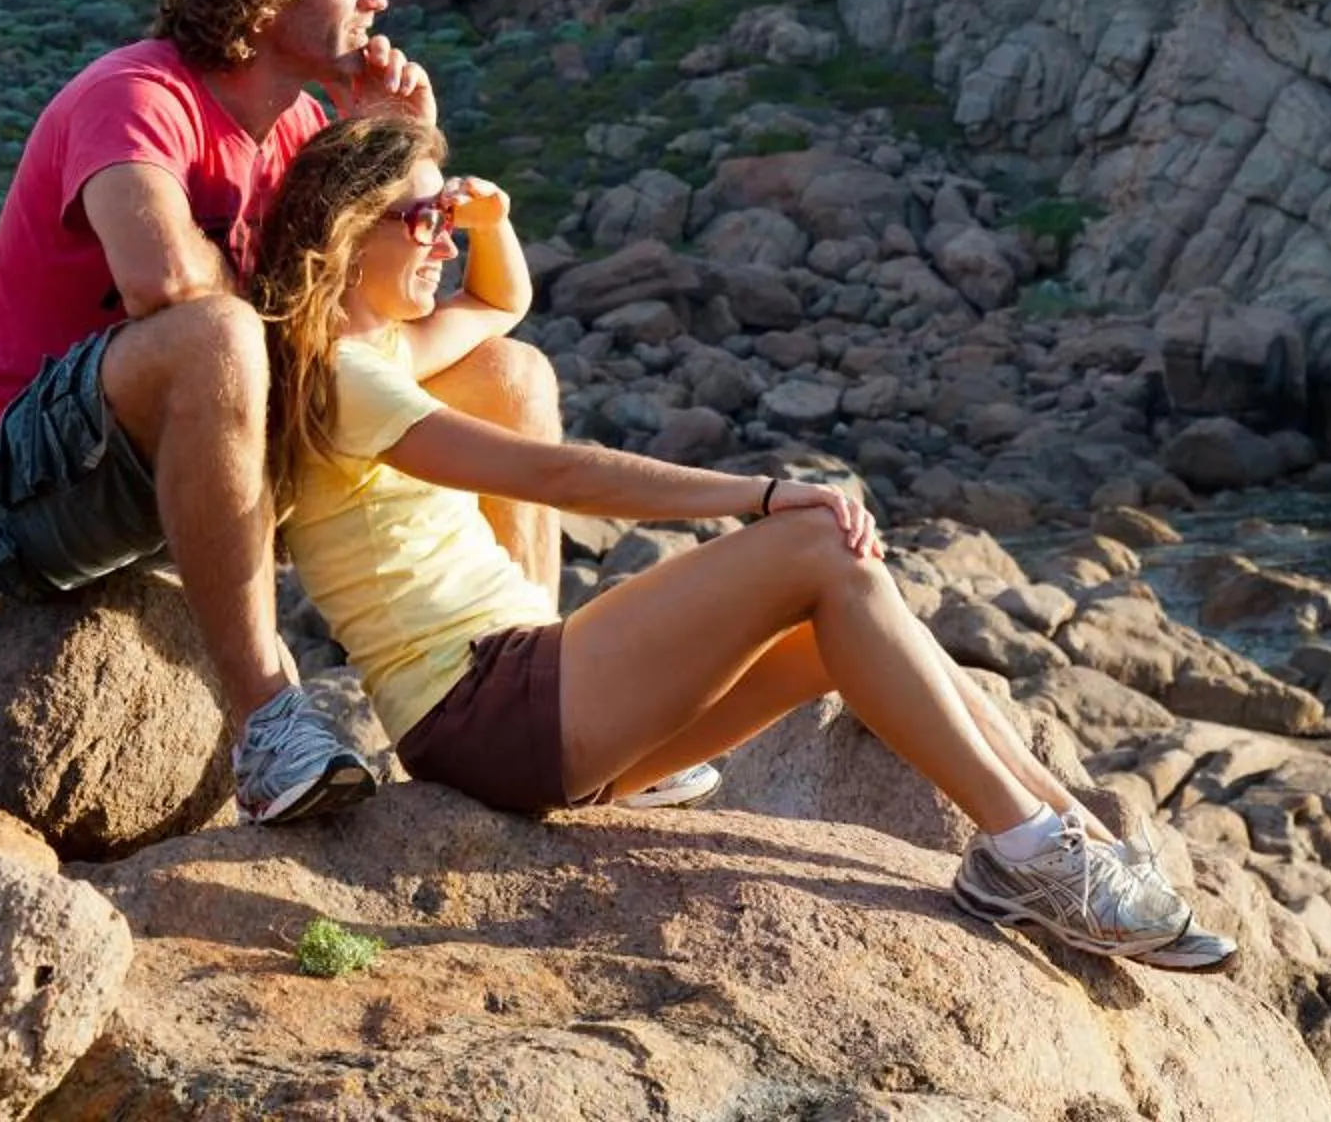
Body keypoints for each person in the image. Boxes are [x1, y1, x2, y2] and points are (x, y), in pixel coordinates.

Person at [245, 114, 1235, 968]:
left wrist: (489, 218)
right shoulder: (341, 372)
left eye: (443, 217)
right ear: (347, 228)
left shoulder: (384, 345)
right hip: (487, 708)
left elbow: (503, 301)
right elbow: (557, 474)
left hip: (537, 719)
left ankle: (1066, 836)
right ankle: (1034, 849)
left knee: (840, 623)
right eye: (422, 219)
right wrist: (759, 494)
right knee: (814, 548)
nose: (442, 242)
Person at [0, 0, 573, 827]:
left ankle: (534, 704)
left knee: (507, 372)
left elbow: (378, 310)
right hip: (14, 491)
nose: (378, 0)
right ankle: (268, 724)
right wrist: (285, 310)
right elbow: (159, 279)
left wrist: (396, 142)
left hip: (184, 448)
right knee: (218, 331)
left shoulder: (304, 130)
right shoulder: (137, 96)